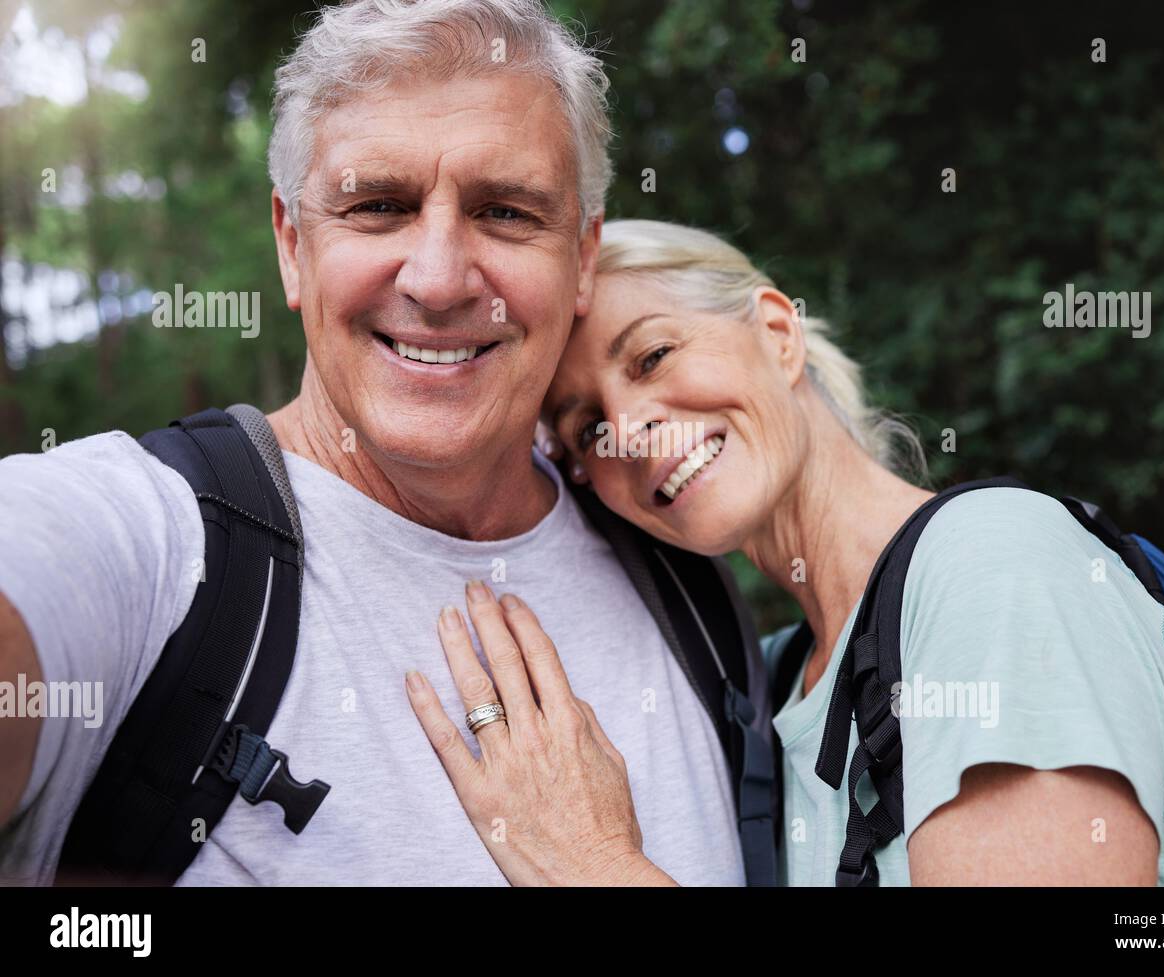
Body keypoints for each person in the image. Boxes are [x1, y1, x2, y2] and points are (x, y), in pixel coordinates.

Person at [0, 2, 765, 886]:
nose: (438, 280)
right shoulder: (156, 543)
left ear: (584, 257)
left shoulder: (682, 581)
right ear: (292, 245)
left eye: (506, 211)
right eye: (378, 206)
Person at [406, 219, 1164, 886]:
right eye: (586, 424)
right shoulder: (761, 685)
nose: (628, 430)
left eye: (654, 354)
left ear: (777, 332)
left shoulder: (995, 570)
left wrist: (593, 866)